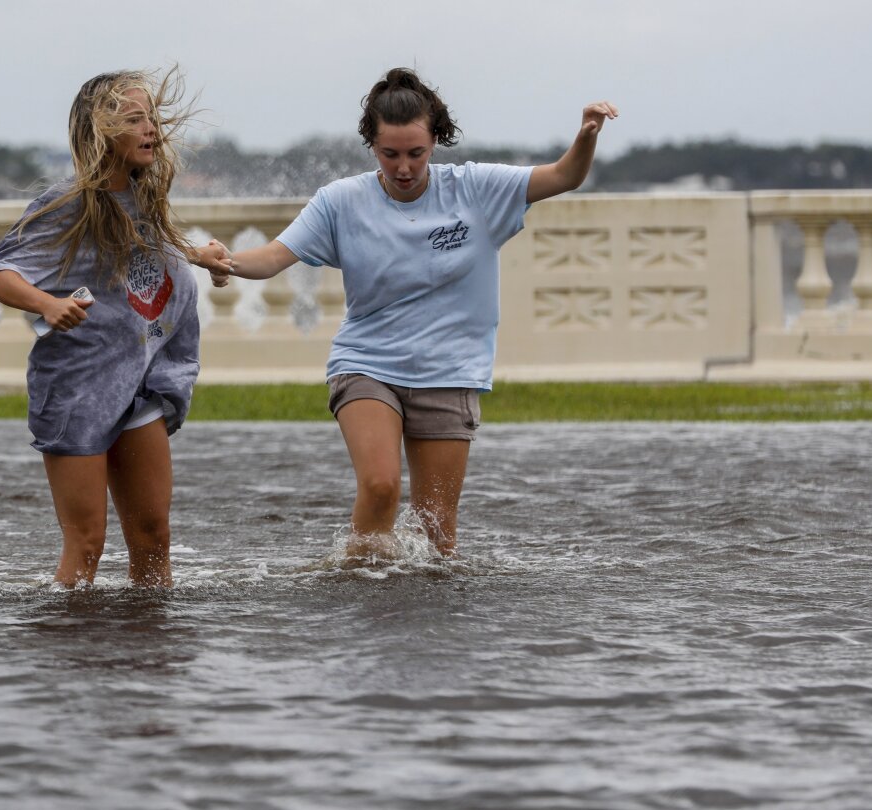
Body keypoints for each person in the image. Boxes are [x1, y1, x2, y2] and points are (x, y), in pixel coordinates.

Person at [213, 68, 617, 559]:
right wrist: (227, 262)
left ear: (436, 142)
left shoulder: (475, 190)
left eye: (415, 154)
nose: (403, 168)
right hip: (367, 363)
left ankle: (425, 628)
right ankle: (355, 589)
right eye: (390, 155)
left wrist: (586, 137)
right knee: (381, 487)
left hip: (449, 371)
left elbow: (565, 176)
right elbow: (275, 256)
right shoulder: (341, 201)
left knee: (438, 532)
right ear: (372, 146)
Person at [0, 68, 231, 587]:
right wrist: (46, 305)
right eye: (135, 120)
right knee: (88, 542)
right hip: (77, 390)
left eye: (152, 119)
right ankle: (72, 652)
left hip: (138, 386)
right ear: (101, 132)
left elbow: (146, 250)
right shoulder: (67, 203)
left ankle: (149, 650)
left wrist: (197, 255)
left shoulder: (143, 198)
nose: (151, 131)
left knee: (154, 536)